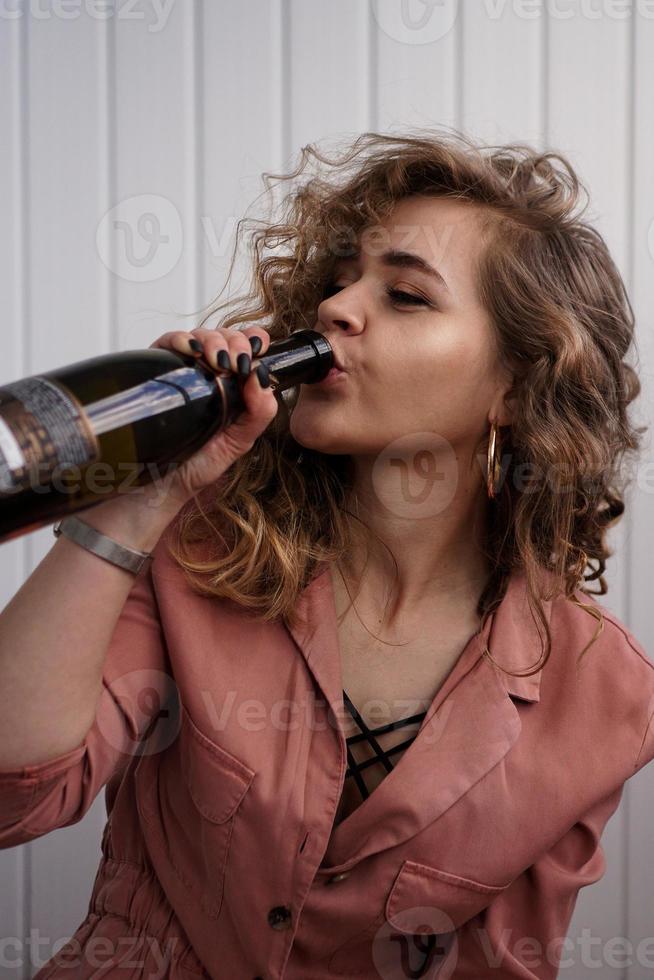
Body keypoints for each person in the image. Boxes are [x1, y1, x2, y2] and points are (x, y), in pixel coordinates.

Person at [1, 127, 653, 979]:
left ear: (515, 387)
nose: (336, 308)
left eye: (407, 296)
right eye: (342, 281)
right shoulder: (194, 553)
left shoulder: (607, 694)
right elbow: (16, 796)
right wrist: (137, 504)